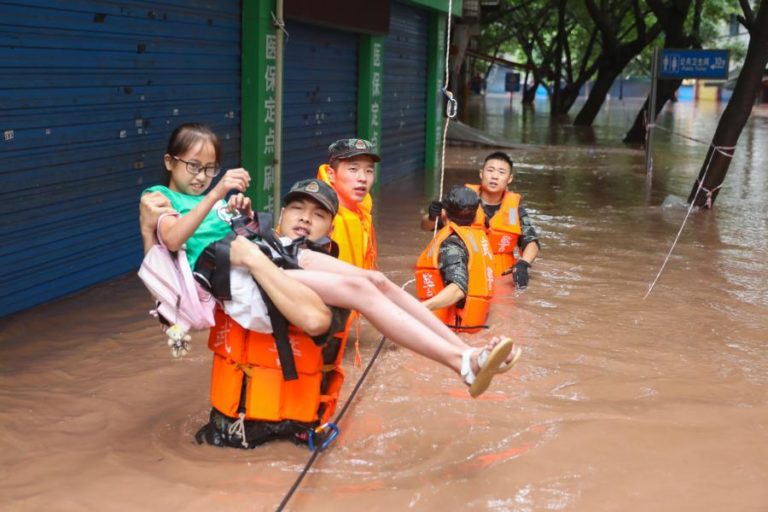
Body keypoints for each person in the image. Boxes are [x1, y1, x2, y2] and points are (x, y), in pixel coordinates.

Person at [140, 124, 522, 447]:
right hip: (235, 272)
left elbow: (242, 230)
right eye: (193, 166)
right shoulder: (159, 198)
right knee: (359, 294)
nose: (201, 175)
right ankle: (461, 364)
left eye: (210, 168)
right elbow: (173, 240)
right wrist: (217, 193)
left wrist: (238, 209)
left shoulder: (345, 213)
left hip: (264, 251)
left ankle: (467, 356)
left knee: (375, 280)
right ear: (169, 162)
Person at [422, 151, 540, 288]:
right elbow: (427, 226)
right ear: (481, 174)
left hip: (501, 276)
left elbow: (531, 241)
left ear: (509, 178)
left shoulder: (515, 209)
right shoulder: (462, 200)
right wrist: (431, 216)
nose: (495, 176)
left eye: (501, 172)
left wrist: (523, 263)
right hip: (463, 269)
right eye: (490, 170)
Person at [416, 186, 494, 333]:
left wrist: (419, 308)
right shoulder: (477, 237)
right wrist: (432, 217)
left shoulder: (452, 244)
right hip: (473, 328)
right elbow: (425, 225)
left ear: (444, 213)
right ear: (475, 217)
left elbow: (458, 289)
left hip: (449, 331)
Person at [316, 138, 379, 270]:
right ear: (331, 174)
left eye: (369, 171)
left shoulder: (363, 215)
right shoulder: (315, 216)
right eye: (353, 169)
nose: (363, 178)